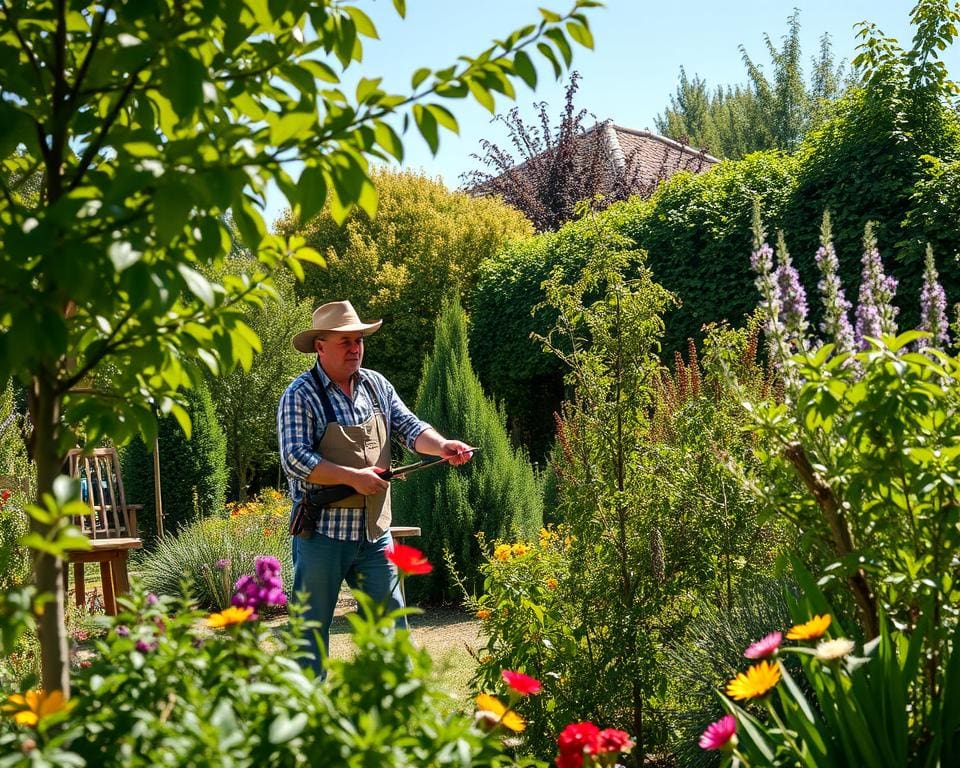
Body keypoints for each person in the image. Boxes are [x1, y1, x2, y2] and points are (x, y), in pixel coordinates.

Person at [278, 300, 473, 674]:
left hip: (375, 535)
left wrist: (442, 445)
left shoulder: (377, 385)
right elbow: (295, 459)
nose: (355, 348)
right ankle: (306, 723)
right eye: (345, 341)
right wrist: (353, 477)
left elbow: (410, 428)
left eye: (359, 340)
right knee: (310, 637)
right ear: (320, 346)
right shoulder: (299, 395)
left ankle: (394, 718)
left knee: (391, 632)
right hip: (321, 534)